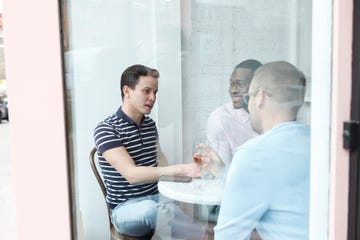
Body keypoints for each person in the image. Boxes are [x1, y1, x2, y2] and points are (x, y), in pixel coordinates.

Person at [94, 64, 207, 239]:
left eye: (155, 92)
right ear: (127, 91)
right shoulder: (106, 129)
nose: (152, 98)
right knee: (154, 211)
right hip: (125, 210)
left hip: (157, 200)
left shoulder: (149, 125)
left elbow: (161, 163)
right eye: (146, 91)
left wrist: (191, 175)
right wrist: (180, 169)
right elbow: (132, 174)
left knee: (184, 210)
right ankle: (203, 235)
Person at [214, 61, 310, 239]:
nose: (248, 105)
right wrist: (221, 169)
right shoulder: (320, 144)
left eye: (249, 97)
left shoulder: (253, 154)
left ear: (260, 98)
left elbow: (227, 237)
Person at [206, 59, 262, 172]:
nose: (233, 90)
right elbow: (220, 172)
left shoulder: (273, 114)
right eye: (232, 84)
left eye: (240, 84)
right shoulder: (220, 119)